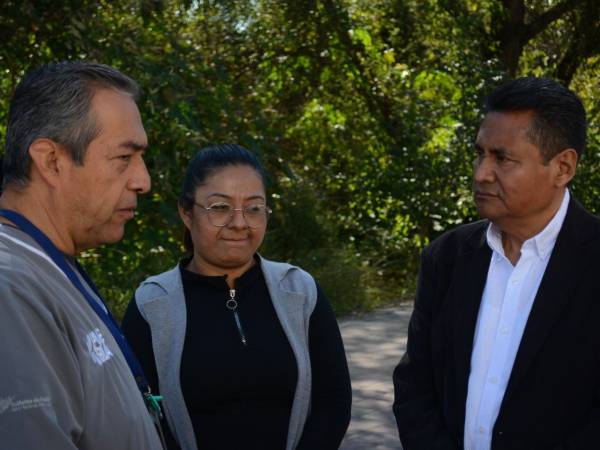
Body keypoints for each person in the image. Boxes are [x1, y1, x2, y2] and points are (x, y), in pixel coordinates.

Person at [393, 77, 600, 449]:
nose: (480, 173)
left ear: (563, 167)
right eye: (480, 153)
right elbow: (415, 384)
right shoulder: (447, 257)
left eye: (502, 158)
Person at [121, 144, 352, 450]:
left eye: (254, 208)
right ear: (186, 213)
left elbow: (333, 402)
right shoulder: (152, 305)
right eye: (220, 207)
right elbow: (142, 417)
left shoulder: (298, 290)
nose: (240, 223)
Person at [0, 61, 163, 449]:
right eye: (124, 158)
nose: (144, 181)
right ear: (52, 161)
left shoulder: (46, 263)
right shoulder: (10, 287)